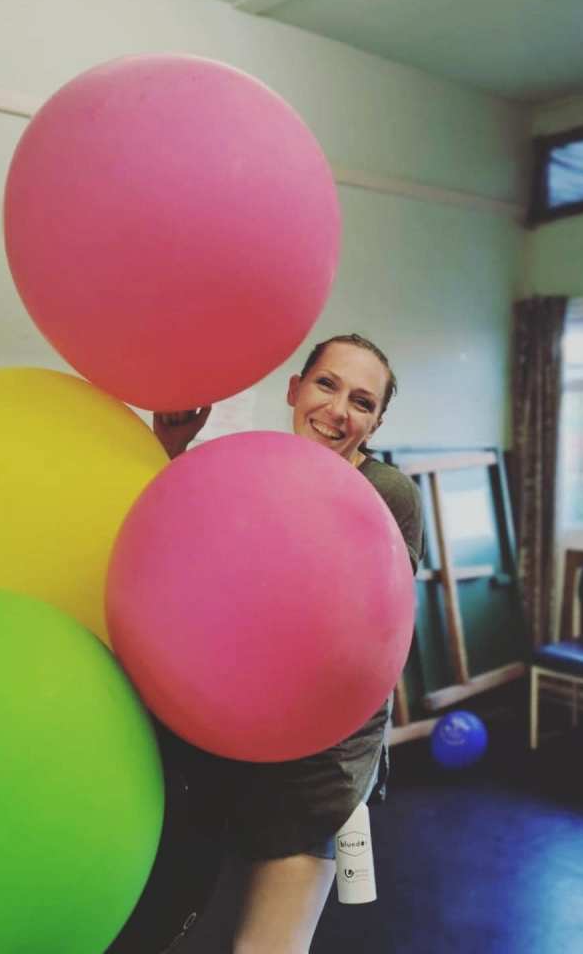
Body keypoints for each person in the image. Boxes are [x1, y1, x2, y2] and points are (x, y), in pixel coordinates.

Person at [147, 333, 425, 954]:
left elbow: (374, 633)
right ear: (294, 390)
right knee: (190, 927)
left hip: (320, 760)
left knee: (267, 947)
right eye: (326, 385)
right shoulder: (252, 467)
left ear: (376, 421)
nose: (338, 410)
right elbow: (169, 544)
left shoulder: (387, 493)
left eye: (361, 401)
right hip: (225, 741)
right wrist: (167, 449)